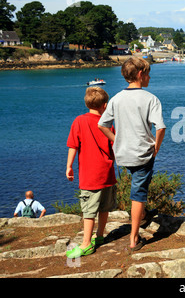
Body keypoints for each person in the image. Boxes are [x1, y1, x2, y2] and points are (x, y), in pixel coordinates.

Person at [98, 57, 166, 251]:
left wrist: (115, 140)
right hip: (142, 154)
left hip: (123, 153)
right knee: (138, 193)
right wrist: (156, 146)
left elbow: (102, 124)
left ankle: (142, 215)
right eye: (148, 74)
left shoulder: (116, 98)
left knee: (139, 186)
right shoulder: (150, 99)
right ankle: (134, 239)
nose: (150, 78)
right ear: (140, 74)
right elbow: (160, 128)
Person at [65, 86, 117, 258]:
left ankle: (86, 244)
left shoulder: (79, 121)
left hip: (90, 175)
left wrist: (69, 166)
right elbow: (115, 145)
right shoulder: (108, 123)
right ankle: (100, 236)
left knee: (88, 211)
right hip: (107, 172)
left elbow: (73, 145)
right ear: (105, 105)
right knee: (104, 207)